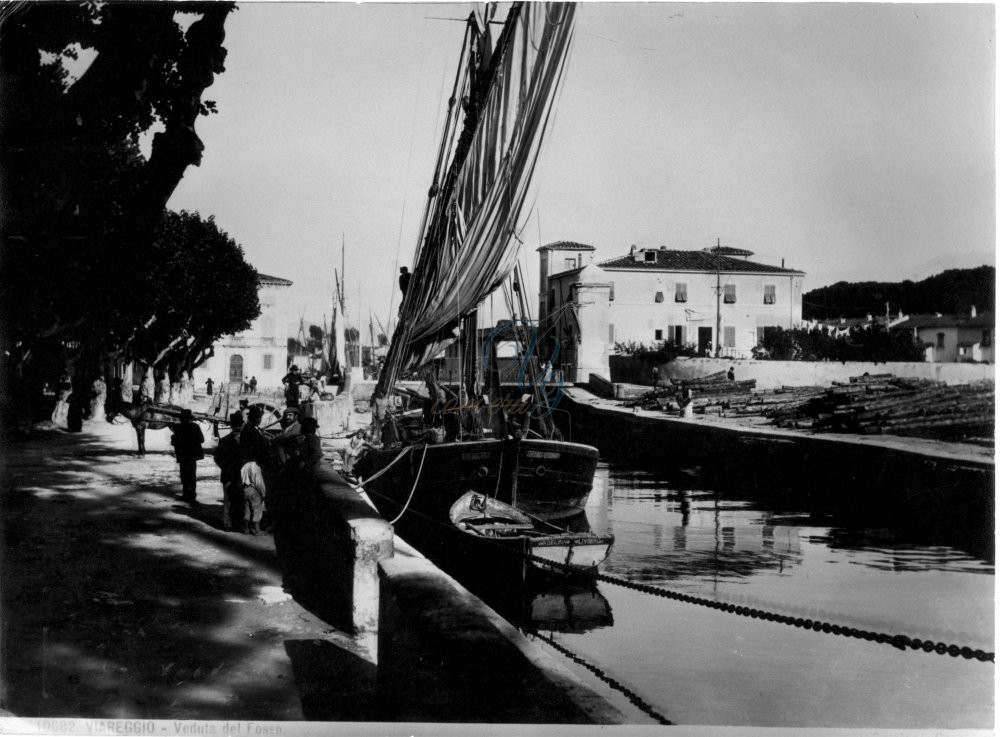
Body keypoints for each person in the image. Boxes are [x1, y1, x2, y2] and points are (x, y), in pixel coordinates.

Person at [214, 412, 245, 531]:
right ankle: (228, 524)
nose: (237, 428)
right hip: (228, 475)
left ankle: (239, 522)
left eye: (239, 425)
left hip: (242, 475)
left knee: (240, 499)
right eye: (235, 426)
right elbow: (217, 458)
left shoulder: (246, 441)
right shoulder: (225, 441)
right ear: (232, 427)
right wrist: (226, 467)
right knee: (227, 500)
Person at [170, 408, 205, 503]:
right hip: (192, 456)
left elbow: (174, 442)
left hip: (182, 455)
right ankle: (192, 496)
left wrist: (173, 436)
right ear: (190, 418)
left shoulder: (178, 427)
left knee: (184, 475)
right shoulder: (195, 426)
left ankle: (185, 494)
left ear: (181, 418)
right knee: (192, 475)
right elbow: (202, 440)